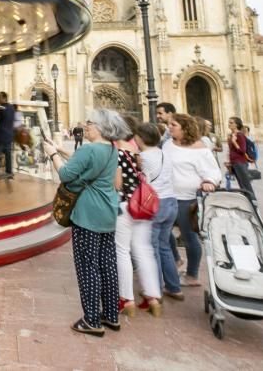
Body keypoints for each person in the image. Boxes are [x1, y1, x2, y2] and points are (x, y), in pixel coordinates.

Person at [43, 109, 123, 336]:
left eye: (90, 123)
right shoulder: (111, 149)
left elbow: (67, 175)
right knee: (107, 264)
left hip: (88, 213)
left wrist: (52, 154)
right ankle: (110, 316)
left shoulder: (89, 149)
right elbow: (86, 167)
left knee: (88, 266)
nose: (85, 126)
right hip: (108, 211)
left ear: (101, 127)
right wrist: (61, 150)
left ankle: (91, 320)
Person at [164, 113, 221, 293]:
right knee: (162, 233)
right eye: (169, 124)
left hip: (187, 198)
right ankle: (175, 259)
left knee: (189, 237)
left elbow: (213, 171)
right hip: (167, 195)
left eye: (173, 125)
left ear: (185, 128)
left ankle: (192, 275)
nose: (169, 127)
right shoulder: (168, 144)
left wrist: (209, 181)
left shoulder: (200, 150)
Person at [113, 115, 162, 318]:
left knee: (122, 251)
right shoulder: (139, 153)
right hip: (143, 205)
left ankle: (127, 299)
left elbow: (117, 184)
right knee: (143, 251)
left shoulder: (116, 153)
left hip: (125, 205)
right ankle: (152, 297)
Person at [136, 122, 178, 310]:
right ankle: (174, 287)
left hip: (155, 204)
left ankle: (155, 291)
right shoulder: (165, 154)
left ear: (140, 138)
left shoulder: (142, 158)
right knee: (164, 246)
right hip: (171, 202)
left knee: (151, 249)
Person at [225, 117, 256, 198]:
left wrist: (234, 142)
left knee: (246, 186)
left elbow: (242, 151)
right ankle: (248, 203)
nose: (229, 124)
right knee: (242, 186)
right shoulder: (232, 135)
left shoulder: (240, 135)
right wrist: (229, 162)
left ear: (237, 124)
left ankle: (254, 204)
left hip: (240, 163)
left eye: (231, 123)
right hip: (235, 163)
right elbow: (231, 150)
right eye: (229, 122)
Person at [0, 92, 16, 177]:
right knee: (8, 156)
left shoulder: (0, 108)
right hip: (9, 136)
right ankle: (9, 173)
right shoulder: (12, 108)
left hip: (0, 136)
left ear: (4, 98)